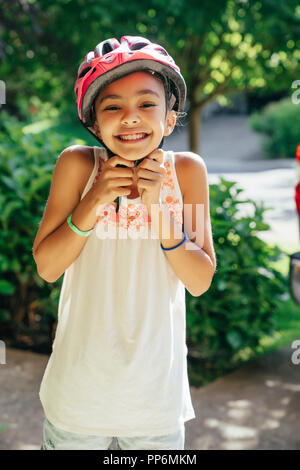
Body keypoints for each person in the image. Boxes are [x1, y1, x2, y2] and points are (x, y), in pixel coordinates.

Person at [33, 35, 217, 450]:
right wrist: (95, 197)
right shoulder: (77, 164)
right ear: (95, 124)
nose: (130, 118)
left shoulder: (186, 171)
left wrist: (158, 207)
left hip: (156, 401)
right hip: (77, 396)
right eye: (112, 106)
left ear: (170, 119)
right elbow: (47, 267)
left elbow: (200, 279)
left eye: (147, 104)